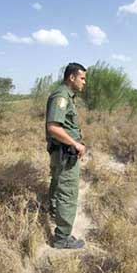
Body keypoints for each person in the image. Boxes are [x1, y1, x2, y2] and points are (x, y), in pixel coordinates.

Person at [45, 62, 87, 249]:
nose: (84, 82)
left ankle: (54, 211)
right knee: (68, 192)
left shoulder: (66, 96)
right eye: (82, 78)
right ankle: (62, 238)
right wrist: (75, 143)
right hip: (65, 153)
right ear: (71, 77)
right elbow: (53, 127)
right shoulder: (61, 96)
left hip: (61, 151)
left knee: (57, 183)